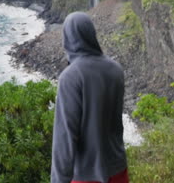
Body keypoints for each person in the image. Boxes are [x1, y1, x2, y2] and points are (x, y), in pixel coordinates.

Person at [51, 12, 129, 183]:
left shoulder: (71, 76)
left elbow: (65, 137)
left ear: (67, 39)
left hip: (87, 176)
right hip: (119, 170)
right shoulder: (116, 69)